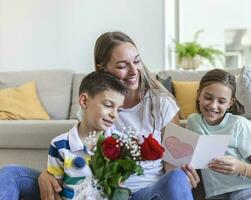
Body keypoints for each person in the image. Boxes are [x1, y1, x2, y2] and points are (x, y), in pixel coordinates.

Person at [0, 31, 199, 200]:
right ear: (101, 68)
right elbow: (78, 145)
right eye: (122, 66)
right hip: (93, 191)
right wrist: (49, 173)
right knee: (11, 174)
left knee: (177, 179)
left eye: (136, 61)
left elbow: (174, 166)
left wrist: (183, 177)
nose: (133, 71)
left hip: (142, 193)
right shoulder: (96, 102)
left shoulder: (161, 104)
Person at [186, 69, 251, 200]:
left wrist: (240, 167)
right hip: (220, 194)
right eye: (208, 97)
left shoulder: (239, 125)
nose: (213, 105)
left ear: (230, 103)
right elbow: (187, 158)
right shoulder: (193, 122)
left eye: (221, 101)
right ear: (199, 95)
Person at [47, 70, 127, 199]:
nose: (114, 115)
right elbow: (55, 191)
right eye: (108, 105)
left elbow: (120, 188)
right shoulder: (59, 145)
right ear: (84, 101)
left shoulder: (120, 142)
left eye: (119, 109)